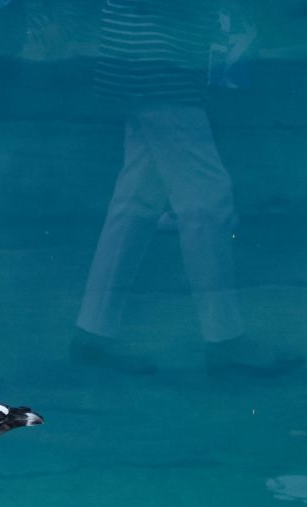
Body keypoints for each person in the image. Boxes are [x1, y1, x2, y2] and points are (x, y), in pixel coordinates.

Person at [71, 0, 302, 377]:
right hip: (159, 63)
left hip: (144, 59)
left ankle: (92, 334)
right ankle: (225, 340)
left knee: (136, 201)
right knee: (207, 200)